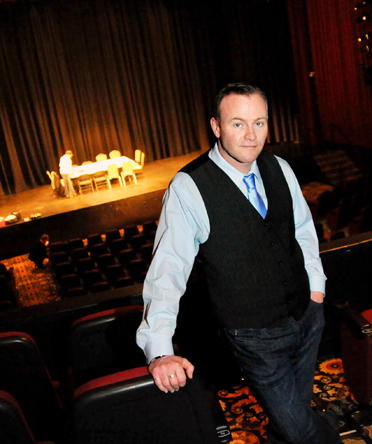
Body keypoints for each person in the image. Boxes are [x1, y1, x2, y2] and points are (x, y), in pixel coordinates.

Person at [136, 83, 340, 444]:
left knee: (293, 418)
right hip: (254, 335)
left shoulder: (278, 166)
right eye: (238, 124)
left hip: (306, 317)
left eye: (259, 123)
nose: (251, 135)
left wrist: (316, 291)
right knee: (301, 430)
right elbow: (167, 271)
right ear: (216, 127)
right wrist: (160, 350)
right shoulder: (189, 187)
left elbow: (303, 231)